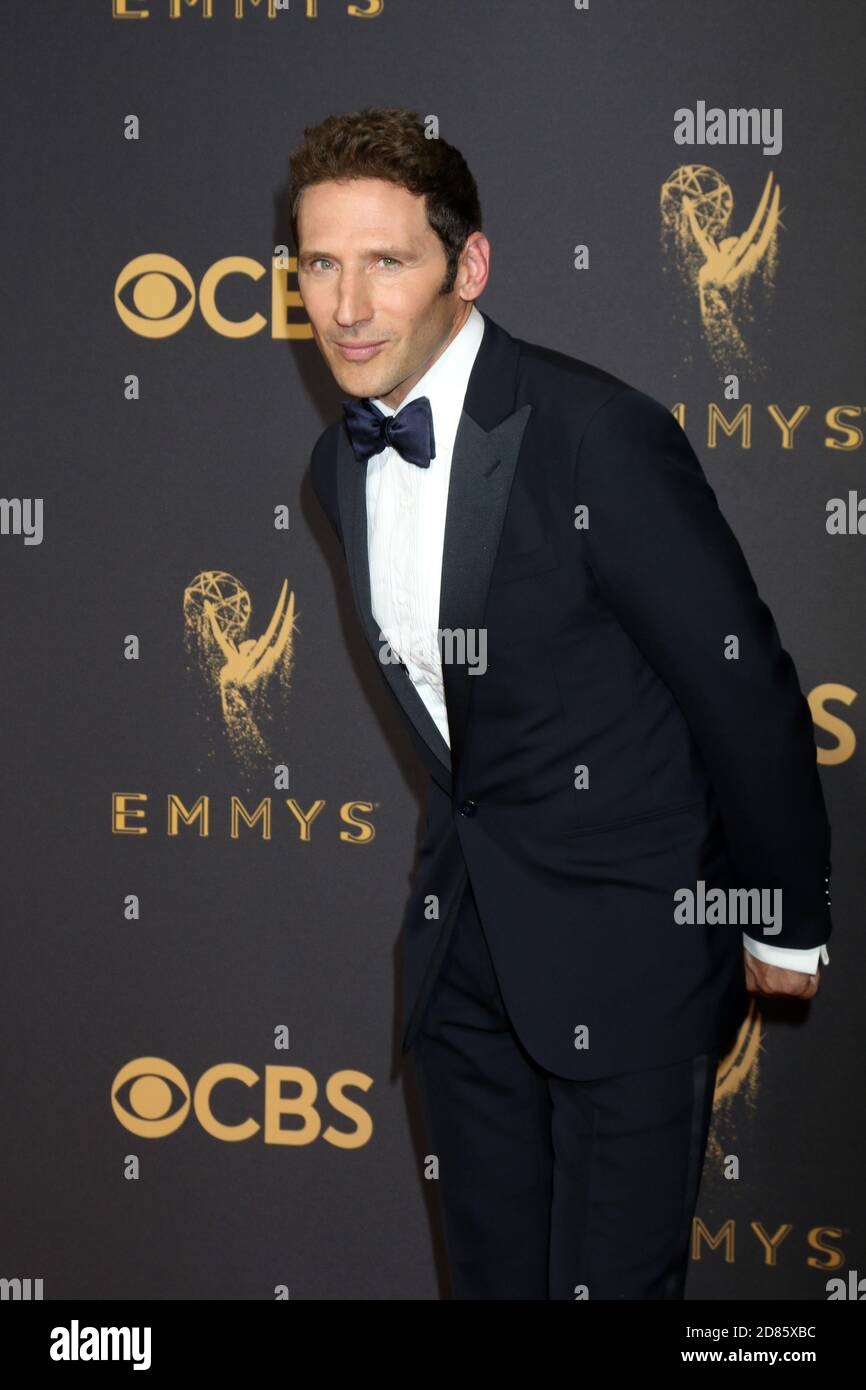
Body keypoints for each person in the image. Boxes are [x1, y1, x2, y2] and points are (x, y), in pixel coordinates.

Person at [291, 106, 833, 1300]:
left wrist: (781, 914)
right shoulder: (339, 467)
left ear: (466, 266)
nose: (346, 305)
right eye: (319, 264)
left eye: (386, 261)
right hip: (462, 964)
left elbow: (738, 683)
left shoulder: (596, 436)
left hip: (628, 950)